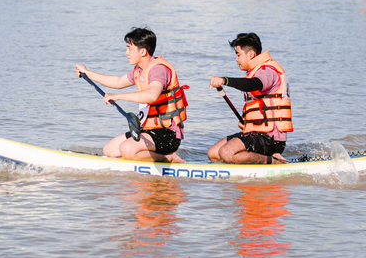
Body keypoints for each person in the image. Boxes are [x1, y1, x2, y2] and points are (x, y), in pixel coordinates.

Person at [75, 27, 188, 163]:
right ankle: (143, 156)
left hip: (168, 134)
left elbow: (152, 95)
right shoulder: (138, 70)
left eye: (129, 48)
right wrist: (87, 73)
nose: (126, 52)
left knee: (127, 150)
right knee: (109, 150)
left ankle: (169, 157)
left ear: (143, 52)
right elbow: (117, 81)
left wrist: (118, 96)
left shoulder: (158, 70)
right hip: (150, 130)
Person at [208, 32, 292, 165]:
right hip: (257, 133)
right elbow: (257, 103)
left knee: (226, 152)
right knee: (213, 153)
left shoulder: (266, 71)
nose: (236, 59)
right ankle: (250, 163)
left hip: (270, 137)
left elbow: (253, 85)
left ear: (251, 54)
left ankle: (273, 161)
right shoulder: (255, 72)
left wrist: (225, 80)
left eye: (238, 54)